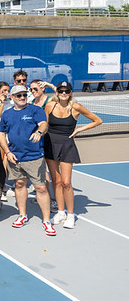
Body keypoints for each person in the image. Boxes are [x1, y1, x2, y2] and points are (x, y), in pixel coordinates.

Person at [44, 81, 101, 229]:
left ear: (70, 93)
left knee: (66, 182)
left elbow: (97, 120)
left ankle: (70, 214)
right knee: (56, 181)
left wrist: (79, 130)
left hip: (67, 145)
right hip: (50, 144)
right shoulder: (50, 105)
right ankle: (61, 212)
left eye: (67, 91)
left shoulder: (76, 107)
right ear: (57, 92)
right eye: (61, 91)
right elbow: (44, 125)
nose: (64, 93)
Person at [0, 84, 53, 236]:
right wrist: (7, 152)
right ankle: (23, 216)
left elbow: (43, 124)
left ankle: (47, 221)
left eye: (24, 95)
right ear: (12, 98)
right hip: (15, 157)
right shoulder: (7, 114)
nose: (22, 98)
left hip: (34, 157)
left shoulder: (35, 110)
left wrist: (39, 132)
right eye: (18, 95)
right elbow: (1, 133)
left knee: (41, 188)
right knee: (20, 184)